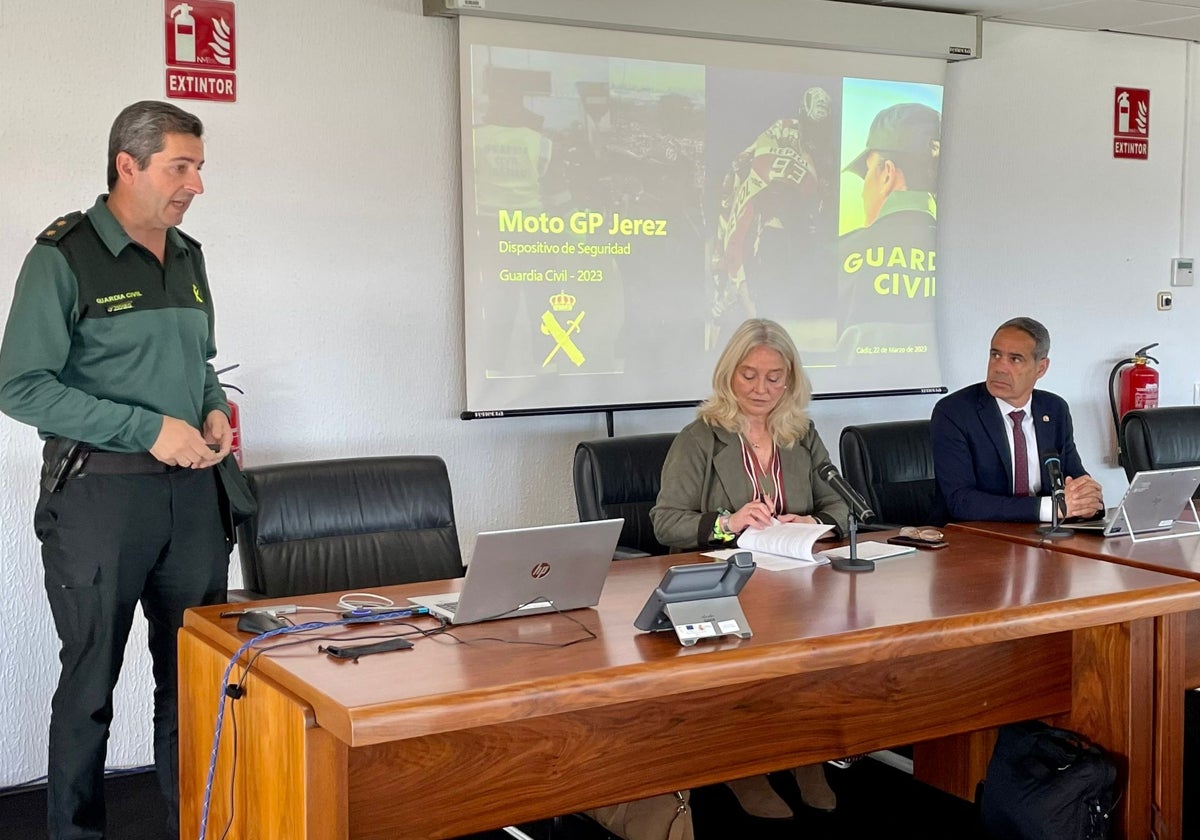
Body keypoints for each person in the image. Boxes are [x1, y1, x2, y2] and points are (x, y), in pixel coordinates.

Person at [0, 101, 233, 840]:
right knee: (91, 686)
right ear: (126, 165)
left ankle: (194, 825)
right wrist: (146, 429)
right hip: (99, 500)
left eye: (197, 166)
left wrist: (212, 410)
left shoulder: (189, 255)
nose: (195, 183)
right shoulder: (63, 257)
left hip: (193, 500)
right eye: (180, 166)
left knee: (195, 686)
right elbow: (20, 385)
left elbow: (197, 365)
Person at [650, 318, 847, 818]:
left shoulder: (800, 434)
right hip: (724, 582)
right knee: (746, 663)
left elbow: (844, 504)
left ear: (791, 379)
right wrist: (727, 522)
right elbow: (665, 523)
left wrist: (815, 519)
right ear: (729, 376)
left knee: (819, 652)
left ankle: (807, 756)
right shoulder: (700, 437)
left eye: (774, 376)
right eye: (749, 375)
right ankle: (744, 768)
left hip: (794, 580)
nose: (762, 388)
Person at [930, 316, 1105, 523]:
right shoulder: (955, 412)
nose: (1000, 368)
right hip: (976, 540)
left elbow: (1075, 478)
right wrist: (1052, 508)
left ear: (1041, 368)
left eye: (1015, 359)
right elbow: (961, 501)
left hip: (1044, 538)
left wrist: (1087, 501)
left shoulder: (1054, 409)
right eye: (995, 355)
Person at [837, 102, 941, 362]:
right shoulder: (968, 257)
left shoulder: (837, 256)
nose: (863, 190)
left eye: (868, 172)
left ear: (887, 174)